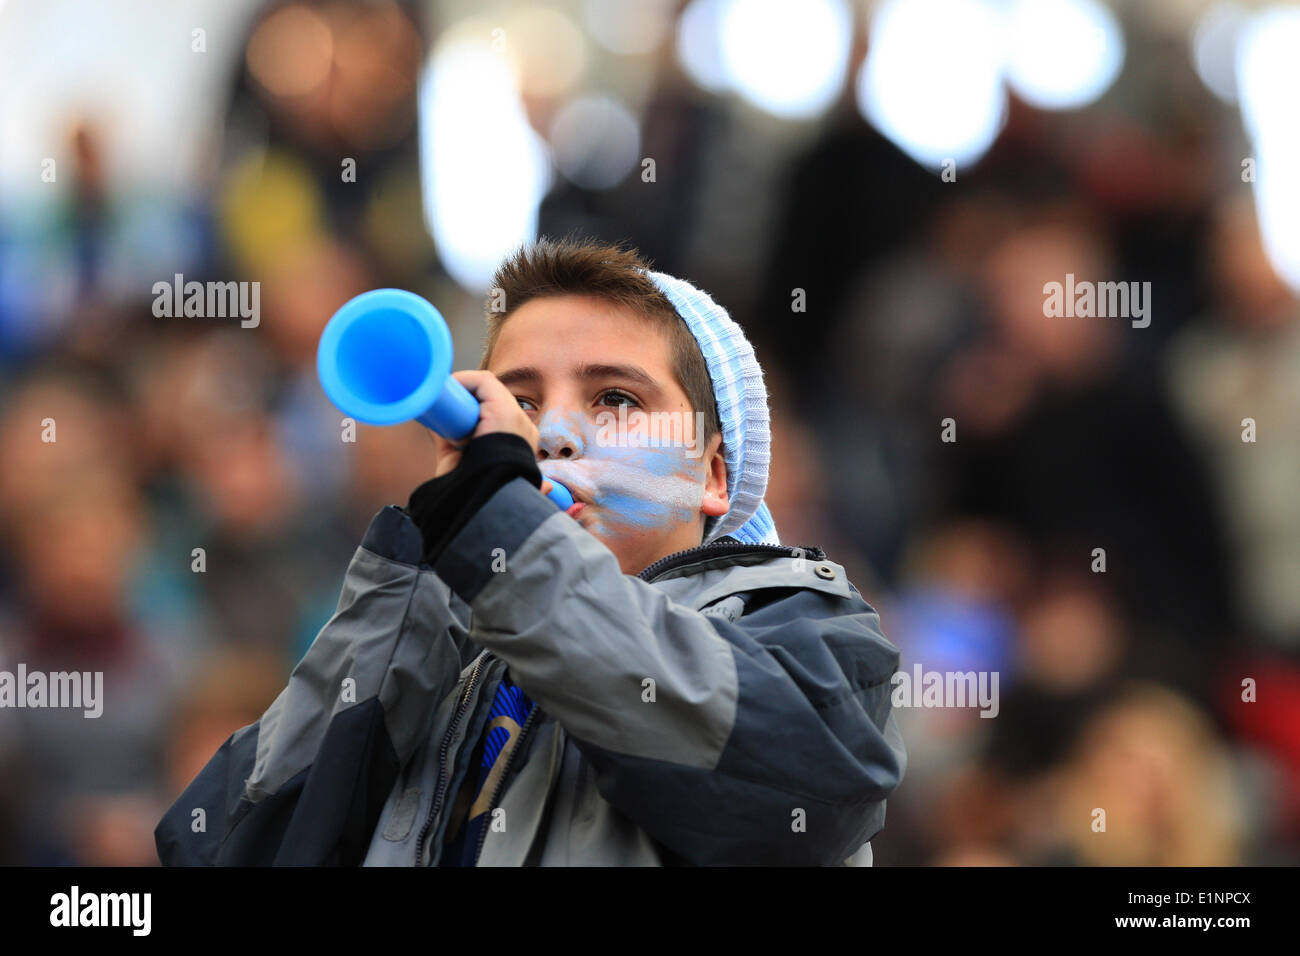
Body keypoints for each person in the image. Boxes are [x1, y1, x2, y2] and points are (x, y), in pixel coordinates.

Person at [154, 238, 906, 866]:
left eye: (615, 398)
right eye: (522, 403)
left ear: (714, 473)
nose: (550, 437)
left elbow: (808, 785)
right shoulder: (448, 653)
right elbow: (231, 848)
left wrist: (506, 536)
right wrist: (429, 570)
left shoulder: (809, 628)